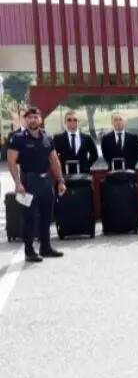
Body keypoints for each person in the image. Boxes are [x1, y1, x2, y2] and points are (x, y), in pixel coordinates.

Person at [6, 107, 65, 263]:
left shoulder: (47, 136)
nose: (33, 120)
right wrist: (18, 183)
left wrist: (60, 180)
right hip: (28, 181)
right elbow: (11, 162)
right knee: (29, 217)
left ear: (40, 119)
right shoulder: (17, 138)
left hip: (45, 181)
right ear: (26, 120)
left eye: (36, 117)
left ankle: (45, 247)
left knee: (47, 216)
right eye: (30, 117)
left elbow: (54, 160)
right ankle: (29, 250)